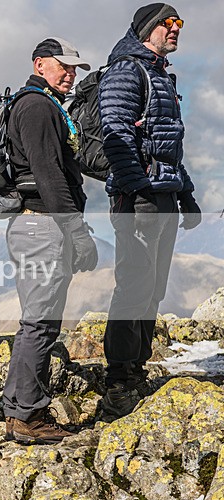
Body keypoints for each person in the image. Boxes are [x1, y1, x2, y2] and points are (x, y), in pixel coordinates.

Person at [100, 4, 201, 417]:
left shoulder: (160, 73)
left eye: (179, 23)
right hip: (137, 199)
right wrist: (139, 186)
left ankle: (136, 369)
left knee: (153, 287)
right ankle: (118, 382)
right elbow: (114, 132)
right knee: (133, 287)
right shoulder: (128, 70)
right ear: (148, 28)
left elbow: (167, 148)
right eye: (168, 23)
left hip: (163, 197)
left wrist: (186, 193)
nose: (176, 29)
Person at [3, 38, 98, 444]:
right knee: (40, 323)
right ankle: (27, 416)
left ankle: (17, 408)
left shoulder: (40, 104)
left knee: (37, 321)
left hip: (37, 226)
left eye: (75, 68)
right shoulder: (38, 107)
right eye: (64, 66)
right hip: (43, 226)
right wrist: (77, 232)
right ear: (40, 64)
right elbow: (49, 175)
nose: (71, 73)